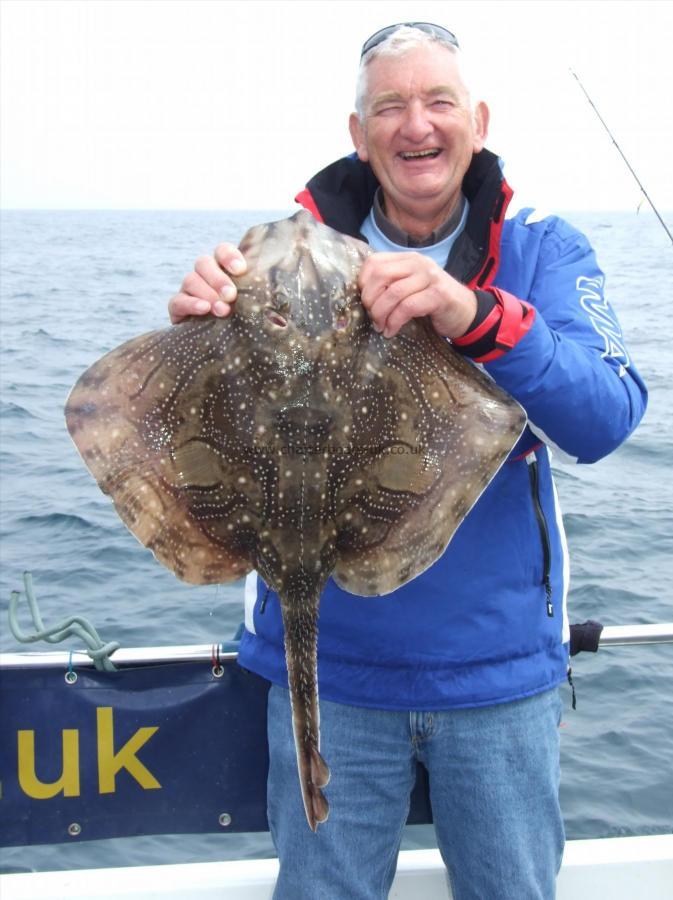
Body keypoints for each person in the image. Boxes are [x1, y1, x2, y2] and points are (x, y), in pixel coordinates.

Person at [168, 23, 647, 900]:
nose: (415, 124)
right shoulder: (273, 257)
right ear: (358, 132)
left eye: (437, 101)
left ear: (478, 120)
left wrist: (480, 318)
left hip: (496, 675)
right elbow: (174, 421)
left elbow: (606, 418)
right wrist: (198, 337)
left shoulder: (542, 247)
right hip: (331, 673)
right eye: (389, 105)